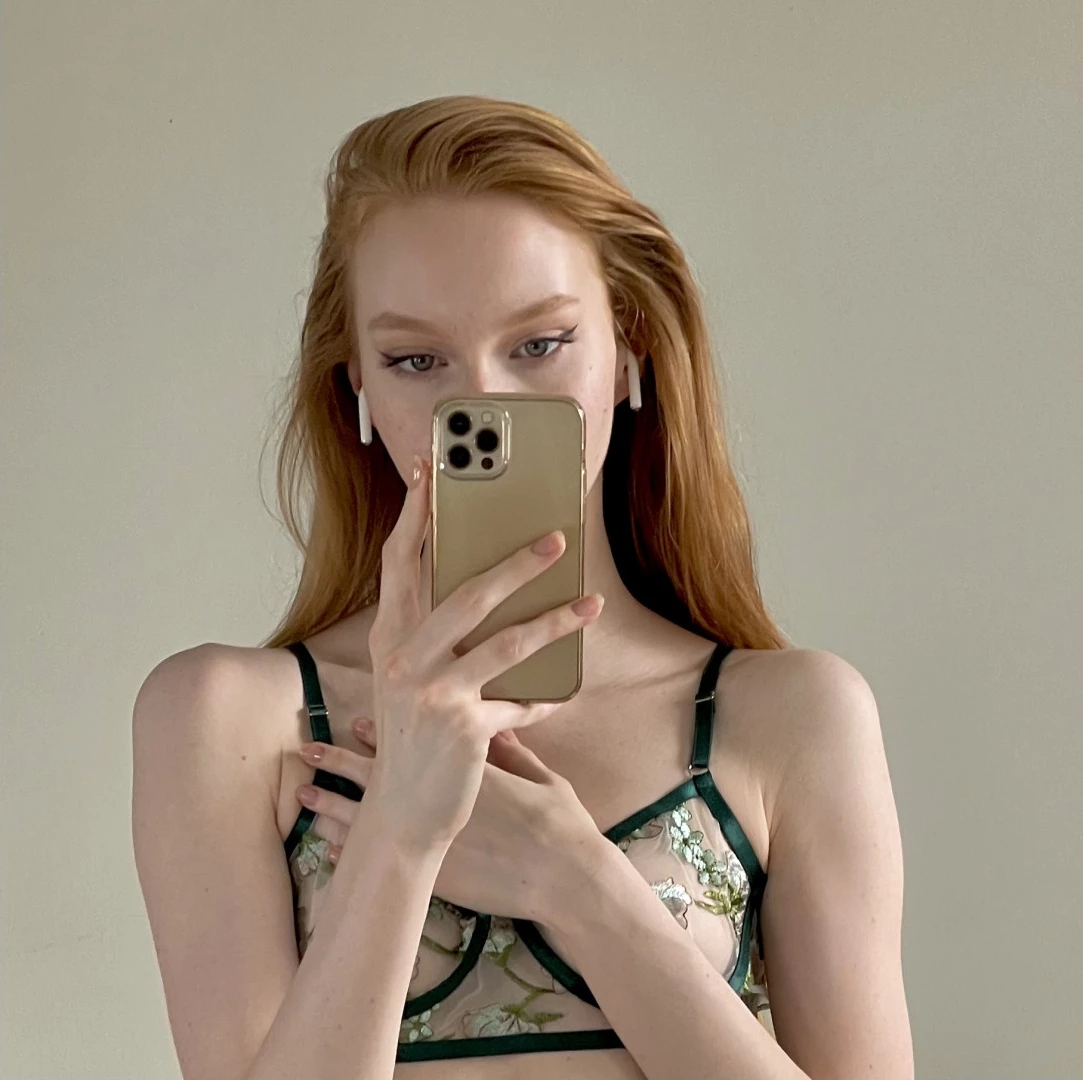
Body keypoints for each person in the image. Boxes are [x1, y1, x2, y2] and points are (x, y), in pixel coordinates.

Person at [132, 94, 913, 1080]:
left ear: (628, 349)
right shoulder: (224, 718)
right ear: (358, 388)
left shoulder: (790, 716)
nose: (483, 403)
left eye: (539, 345)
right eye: (416, 360)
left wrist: (574, 880)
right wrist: (402, 832)